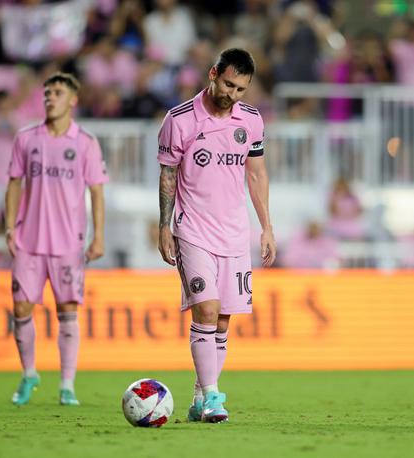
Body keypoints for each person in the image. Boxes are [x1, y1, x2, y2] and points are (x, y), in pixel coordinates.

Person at [157, 48, 276, 423]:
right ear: (212, 74)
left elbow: (256, 174)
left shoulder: (252, 121)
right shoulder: (179, 120)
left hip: (235, 234)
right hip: (192, 230)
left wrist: (266, 226)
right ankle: (212, 396)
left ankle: (198, 395)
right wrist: (164, 225)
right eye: (228, 84)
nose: (233, 94)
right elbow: (168, 175)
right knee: (205, 310)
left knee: (223, 320)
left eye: (241, 88)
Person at [5, 72, 108, 406]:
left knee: (67, 311)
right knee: (21, 307)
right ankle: (29, 373)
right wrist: (10, 227)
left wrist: (98, 236)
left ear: (73, 100)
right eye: (47, 92)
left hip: (68, 244)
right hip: (28, 241)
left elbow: (97, 190)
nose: (50, 97)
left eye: (58, 92)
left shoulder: (85, 143)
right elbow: (14, 182)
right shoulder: (26, 139)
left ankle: (67, 385)